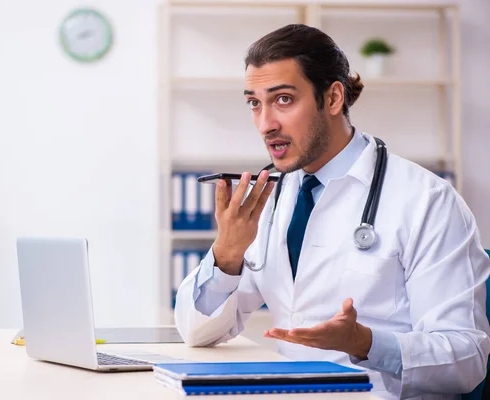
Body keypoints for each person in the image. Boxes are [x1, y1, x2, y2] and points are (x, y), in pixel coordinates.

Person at [173, 24, 490, 400]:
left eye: (284, 100)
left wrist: (365, 343)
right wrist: (226, 255)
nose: (265, 123)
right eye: (254, 103)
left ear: (334, 97)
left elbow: (467, 361)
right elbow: (197, 332)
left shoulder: (427, 200)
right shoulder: (273, 196)